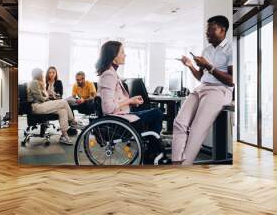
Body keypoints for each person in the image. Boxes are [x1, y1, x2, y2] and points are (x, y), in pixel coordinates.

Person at [172, 15, 234, 165]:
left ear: (222, 30)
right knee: (179, 122)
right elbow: (201, 77)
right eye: (207, 31)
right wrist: (190, 66)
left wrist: (208, 66)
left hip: (220, 90)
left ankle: (184, 167)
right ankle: (175, 163)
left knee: (197, 130)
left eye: (211, 30)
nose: (207, 34)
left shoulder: (230, 49)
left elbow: (232, 80)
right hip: (201, 88)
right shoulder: (206, 50)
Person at [96, 41, 164, 162]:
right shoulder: (109, 75)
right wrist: (129, 101)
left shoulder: (110, 73)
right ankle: (153, 151)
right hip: (118, 121)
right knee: (157, 113)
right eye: (122, 52)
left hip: (120, 117)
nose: (125, 55)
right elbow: (108, 108)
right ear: (113, 57)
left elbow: (114, 100)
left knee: (154, 113)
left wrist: (131, 101)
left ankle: (152, 148)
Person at [27, 68, 82, 145]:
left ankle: (64, 135)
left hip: (41, 105)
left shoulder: (39, 83)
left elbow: (43, 97)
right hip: (37, 107)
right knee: (63, 102)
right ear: (38, 74)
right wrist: (47, 97)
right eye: (42, 74)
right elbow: (41, 98)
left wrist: (47, 97)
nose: (43, 75)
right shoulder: (34, 82)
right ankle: (72, 121)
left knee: (63, 110)